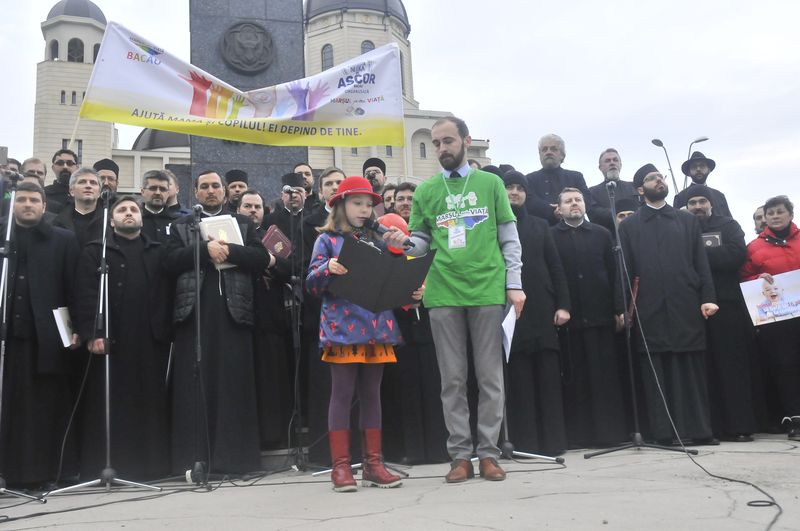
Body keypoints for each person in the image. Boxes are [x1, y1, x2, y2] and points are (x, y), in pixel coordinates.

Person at [385, 116, 524, 483]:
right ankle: (460, 456)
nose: (442, 148)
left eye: (448, 141)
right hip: (443, 292)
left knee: (490, 377)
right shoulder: (427, 191)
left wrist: (514, 284)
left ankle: (489, 454)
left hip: (487, 289)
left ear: (465, 140)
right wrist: (404, 244)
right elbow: (420, 242)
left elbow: (509, 238)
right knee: (452, 380)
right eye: (436, 143)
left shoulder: (491, 183)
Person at [306, 175, 423, 492]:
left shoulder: (380, 240)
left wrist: (411, 292)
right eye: (357, 203)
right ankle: (341, 467)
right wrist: (327, 269)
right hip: (342, 329)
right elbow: (311, 284)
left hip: (377, 327)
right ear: (340, 205)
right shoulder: (327, 240)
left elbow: (394, 281)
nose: (364, 209)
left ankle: (373, 464)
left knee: (372, 394)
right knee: (342, 395)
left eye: (369, 204)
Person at [164, 170, 270, 475]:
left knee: (233, 386)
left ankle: (234, 460)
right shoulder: (181, 225)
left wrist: (229, 250)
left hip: (233, 312)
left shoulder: (244, 223)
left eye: (215, 186)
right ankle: (193, 459)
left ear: (224, 191)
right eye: (204, 187)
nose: (210, 191)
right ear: (195, 192)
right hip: (194, 314)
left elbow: (261, 258)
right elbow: (168, 262)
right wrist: (203, 250)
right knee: (194, 386)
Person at [619, 164, 718, 445]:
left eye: (660, 177)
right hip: (648, 305)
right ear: (641, 190)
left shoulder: (687, 221)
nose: (658, 181)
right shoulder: (629, 226)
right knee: (657, 368)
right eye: (651, 179)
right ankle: (665, 433)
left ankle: (699, 430)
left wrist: (708, 297)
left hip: (685, 302)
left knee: (690, 367)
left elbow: (701, 262)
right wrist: (623, 308)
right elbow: (624, 270)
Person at [75, 196, 172, 480]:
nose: (129, 213)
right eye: (122, 210)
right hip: (111, 339)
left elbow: (167, 292)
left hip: (149, 338)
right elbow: (85, 294)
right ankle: (108, 467)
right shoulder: (96, 251)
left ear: (142, 218)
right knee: (110, 402)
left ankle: (149, 467)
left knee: (148, 402)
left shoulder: (157, 250)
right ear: (112, 219)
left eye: (133, 209)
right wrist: (93, 333)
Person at [0, 182, 80, 488]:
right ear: (13, 206)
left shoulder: (63, 239)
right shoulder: (4, 237)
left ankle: (42, 474)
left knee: (43, 409)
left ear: (44, 207)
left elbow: (74, 287)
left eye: (34, 200)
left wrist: (77, 330)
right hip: (7, 339)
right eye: (22, 199)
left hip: (45, 339)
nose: (27, 204)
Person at [680, 184, 758, 441]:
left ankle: (740, 426)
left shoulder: (729, 226)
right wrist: (709, 256)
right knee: (705, 368)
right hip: (694, 306)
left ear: (711, 204)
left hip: (727, 305)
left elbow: (735, 254)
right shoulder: (682, 228)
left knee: (732, 365)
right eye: (693, 203)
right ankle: (711, 427)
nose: (698, 206)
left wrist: (699, 255)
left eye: (702, 201)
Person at [551, 187, 628, 448]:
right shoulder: (551, 236)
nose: (574, 204)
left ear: (585, 205)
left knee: (605, 377)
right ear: (559, 208)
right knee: (577, 380)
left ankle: (610, 434)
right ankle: (580, 436)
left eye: (578, 200)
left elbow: (614, 272)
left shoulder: (602, 234)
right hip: (569, 319)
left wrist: (619, 308)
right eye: (568, 201)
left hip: (601, 316)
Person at [502, 171, 570, 455]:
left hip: (542, 308)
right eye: (509, 187)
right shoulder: (493, 226)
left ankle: (554, 442)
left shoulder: (541, 225)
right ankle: (526, 442)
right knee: (519, 378)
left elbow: (556, 266)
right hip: (509, 312)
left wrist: (563, 305)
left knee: (548, 377)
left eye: (520, 188)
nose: (514, 192)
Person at [741, 195, 800, 440]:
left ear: (790, 215)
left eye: (780, 211)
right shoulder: (754, 247)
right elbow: (743, 277)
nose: (775, 216)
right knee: (785, 365)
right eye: (771, 213)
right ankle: (794, 417)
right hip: (777, 318)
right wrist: (757, 279)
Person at [301, 167, 346, 465]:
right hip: (324, 314)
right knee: (330, 388)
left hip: (362, 316)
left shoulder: (365, 227)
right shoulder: (310, 226)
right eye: (328, 183)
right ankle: (331, 458)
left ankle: (366, 456)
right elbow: (307, 272)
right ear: (320, 192)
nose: (334, 187)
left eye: (339, 182)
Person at [525, 134, 602, 225]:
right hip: (541, 229)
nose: (548, 152)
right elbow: (529, 202)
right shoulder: (529, 179)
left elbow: (587, 201)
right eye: (544, 149)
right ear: (540, 154)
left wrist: (564, 209)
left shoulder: (576, 177)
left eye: (553, 149)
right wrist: (553, 211)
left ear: (562, 155)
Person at [588, 148, 640, 232]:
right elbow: (593, 214)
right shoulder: (592, 192)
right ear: (600, 167)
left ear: (620, 165)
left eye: (615, 160)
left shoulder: (634, 187)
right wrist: (620, 214)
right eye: (607, 161)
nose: (612, 163)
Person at [52, 167, 105, 247]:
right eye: (82, 182)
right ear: (71, 191)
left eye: (93, 183)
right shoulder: (57, 223)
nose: (88, 186)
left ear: (99, 193)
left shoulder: (108, 223)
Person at [673, 152, 731, 217]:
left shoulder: (719, 196)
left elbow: (730, 220)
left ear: (709, 170)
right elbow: (676, 221)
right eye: (694, 167)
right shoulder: (680, 197)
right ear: (689, 172)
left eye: (702, 166)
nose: (698, 169)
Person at [141, 170, 181, 244]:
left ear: (168, 193)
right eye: (153, 188)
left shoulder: (179, 222)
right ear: (142, 191)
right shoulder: (135, 221)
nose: (158, 193)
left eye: (163, 189)